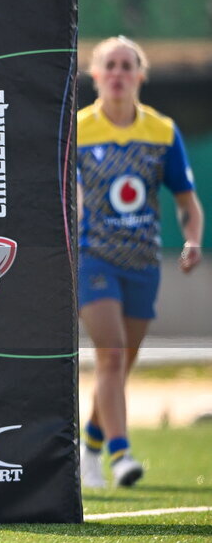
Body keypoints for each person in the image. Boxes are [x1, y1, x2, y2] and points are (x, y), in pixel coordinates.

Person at [77, 36, 204, 488]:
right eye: (109, 65)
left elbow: (187, 199)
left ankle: (89, 449)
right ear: (95, 75)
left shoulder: (162, 132)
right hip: (93, 261)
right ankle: (121, 454)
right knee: (109, 354)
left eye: (126, 65)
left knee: (120, 364)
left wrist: (191, 241)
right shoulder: (78, 130)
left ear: (140, 76)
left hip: (143, 264)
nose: (117, 73)